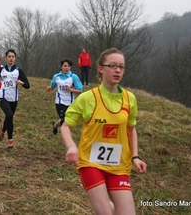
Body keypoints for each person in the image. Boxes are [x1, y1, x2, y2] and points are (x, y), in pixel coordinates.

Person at [61, 48, 147, 215]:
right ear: (100, 68)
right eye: (113, 65)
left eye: (121, 67)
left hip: (119, 166)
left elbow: (131, 128)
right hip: (91, 163)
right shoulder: (87, 98)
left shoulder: (130, 99)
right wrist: (71, 146)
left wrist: (135, 156)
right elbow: (65, 126)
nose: (117, 70)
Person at [46, 58, 83, 135]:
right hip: (59, 102)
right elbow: (53, 86)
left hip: (70, 103)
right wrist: (50, 88)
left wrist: (71, 89)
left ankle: (55, 125)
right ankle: (65, 137)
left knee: (67, 121)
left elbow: (80, 90)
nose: (67, 68)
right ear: (61, 67)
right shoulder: (56, 76)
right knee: (63, 119)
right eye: (65, 66)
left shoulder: (73, 76)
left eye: (68, 66)